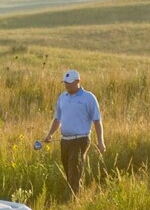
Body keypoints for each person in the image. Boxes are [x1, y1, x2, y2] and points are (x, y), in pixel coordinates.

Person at [42, 69, 105, 198]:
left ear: (78, 81)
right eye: (65, 83)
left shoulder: (88, 98)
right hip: (64, 140)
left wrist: (100, 141)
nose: (67, 85)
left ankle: (71, 201)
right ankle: (77, 196)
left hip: (80, 140)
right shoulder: (62, 97)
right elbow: (57, 119)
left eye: (70, 83)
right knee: (69, 171)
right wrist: (49, 134)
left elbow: (97, 121)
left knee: (74, 172)